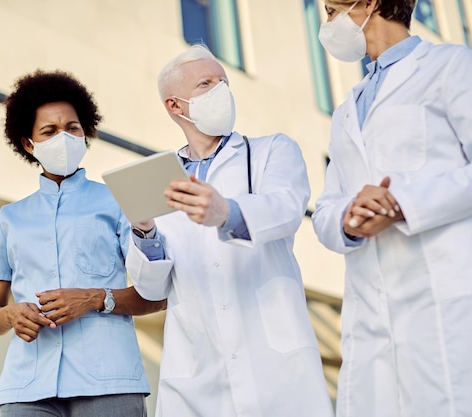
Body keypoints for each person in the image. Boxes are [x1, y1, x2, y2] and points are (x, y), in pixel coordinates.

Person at [312, 1, 472, 416]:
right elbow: (325, 209)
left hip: (448, 296)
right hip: (373, 309)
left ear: (369, 5)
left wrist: (403, 204)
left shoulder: (449, 64)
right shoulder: (345, 109)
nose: (328, 23)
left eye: (334, 10)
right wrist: (349, 218)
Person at [124, 44, 335, 417]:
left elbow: (286, 210)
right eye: (206, 83)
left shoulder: (271, 151)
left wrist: (228, 212)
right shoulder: (159, 178)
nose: (221, 91)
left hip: (274, 362)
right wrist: (144, 232)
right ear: (175, 106)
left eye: (223, 81)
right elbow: (151, 289)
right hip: (197, 368)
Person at [0, 69, 166, 417]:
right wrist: (11, 315)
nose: (63, 137)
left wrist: (95, 298)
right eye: (49, 131)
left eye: (72, 128)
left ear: (86, 133)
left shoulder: (121, 202)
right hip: (27, 386)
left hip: (109, 381)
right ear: (28, 144)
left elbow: (156, 295)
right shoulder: (10, 218)